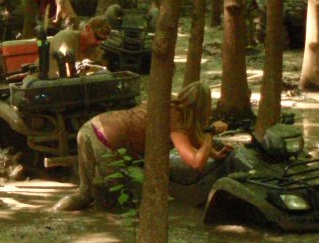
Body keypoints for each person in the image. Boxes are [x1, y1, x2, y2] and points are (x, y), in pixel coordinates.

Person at [53, 82, 232, 211]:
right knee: (117, 201)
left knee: (85, 193)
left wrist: (216, 154)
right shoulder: (175, 120)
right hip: (106, 139)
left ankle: (54, 214)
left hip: (90, 127)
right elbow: (195, 163)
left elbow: (190, 136)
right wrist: (210, 133)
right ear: (202, 108)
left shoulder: (169, 104)